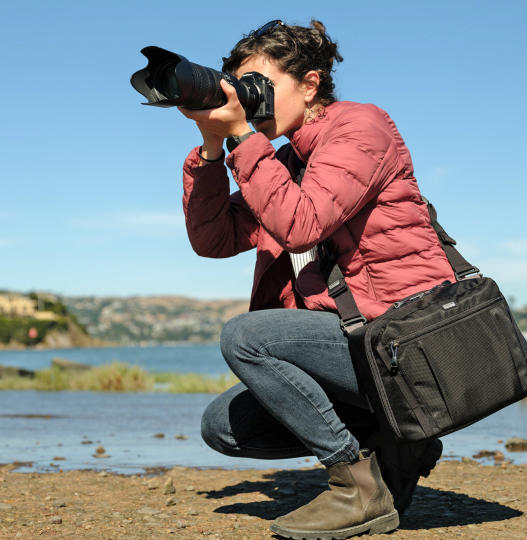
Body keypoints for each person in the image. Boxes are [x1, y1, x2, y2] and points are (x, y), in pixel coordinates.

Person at [178, 19, 455, 538]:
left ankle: (357, 485)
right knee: (222, 426)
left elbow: (301, 222)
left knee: (245, 336)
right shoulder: (281, 161)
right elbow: (212, 239)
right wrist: (213, 148)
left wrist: (242, 137)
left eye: (262, 87)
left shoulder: (360, 129)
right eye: (243, 91)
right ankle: (393, 443)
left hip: (404, 341)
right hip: (354, 346)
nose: (253, 103)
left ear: (309, 85)